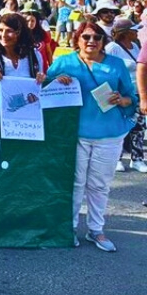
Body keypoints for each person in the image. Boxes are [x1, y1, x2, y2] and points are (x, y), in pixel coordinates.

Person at [47, 21, 137, 252]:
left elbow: (131, 97)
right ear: (77, 39)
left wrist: (122, 99)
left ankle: (96, 229)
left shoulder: (116, 65)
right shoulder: (63, 62)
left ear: (103, 41)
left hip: (109, 133)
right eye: (86, 36)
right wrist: (55, 82)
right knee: (75, 184)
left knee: (99, 185)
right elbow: (43, 89)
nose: (91, 41)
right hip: (74, 134)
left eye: (97, 37)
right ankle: (70, 228)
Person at [105, 18, 145, 173]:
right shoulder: (112, 48)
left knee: (139, 127)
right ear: (125, 33)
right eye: (134, 29)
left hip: (137, 93)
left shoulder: (135, 46)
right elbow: (106, 69)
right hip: (120, 95)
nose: (136, 32)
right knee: (120, 127)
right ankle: (117, 159)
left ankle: (137, 159)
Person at [0, 14, 45, 83]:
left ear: (20, 33)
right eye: (0, 30)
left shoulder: (34, 57)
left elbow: (41, 86)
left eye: (9, 31)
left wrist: (41, 78)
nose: (3, 35)